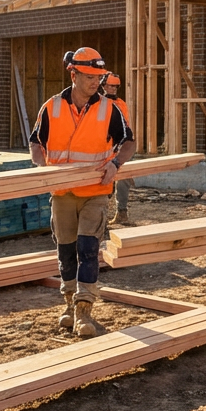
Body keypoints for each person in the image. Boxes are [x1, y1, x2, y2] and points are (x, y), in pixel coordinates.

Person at [30, 48, 135, 338]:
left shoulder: (109, 108)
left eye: (99, 77)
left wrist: (116, 163)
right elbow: (36, 143)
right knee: (66, 251)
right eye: (90, 77)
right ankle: (68, 305)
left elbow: (129, 143)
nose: (96, 83)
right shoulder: (51, 107)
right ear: (73, 74)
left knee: (88, 249)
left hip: (95, 191)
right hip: (62, 192)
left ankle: (84, 310)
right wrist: (42, 168)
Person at [101, 72, 133, 226]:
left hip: (118, 147)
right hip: (103, 149)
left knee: (123, 180)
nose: (112, 89)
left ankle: (122, 212)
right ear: (103, 86)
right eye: (110, 86)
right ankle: (100, 215)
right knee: (103, 181)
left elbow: (125, 127)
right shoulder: (97, 104)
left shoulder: (121, 104)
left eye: (115, 86)